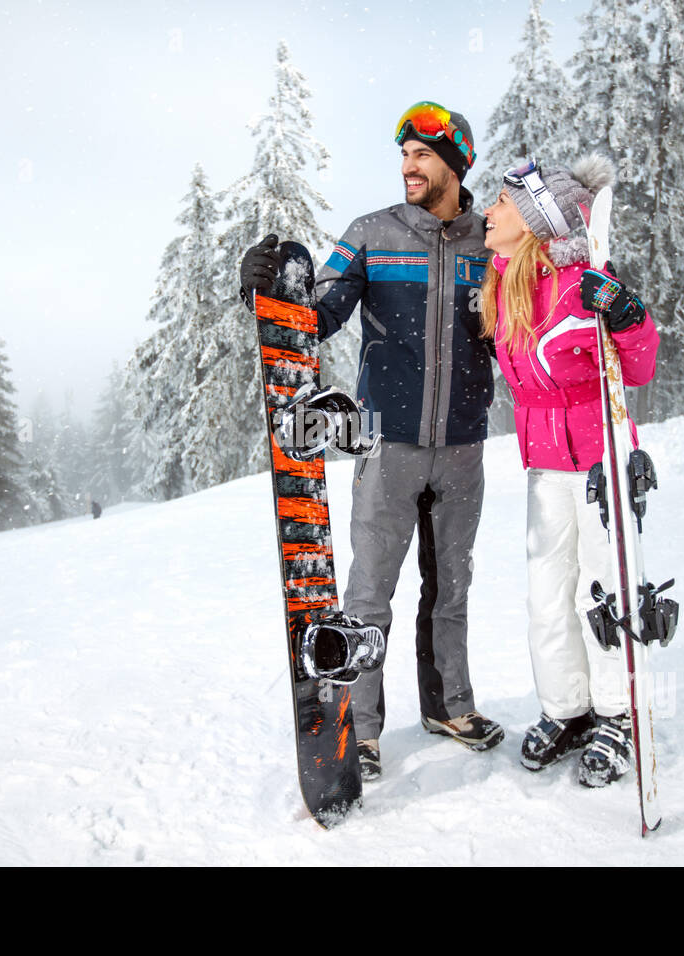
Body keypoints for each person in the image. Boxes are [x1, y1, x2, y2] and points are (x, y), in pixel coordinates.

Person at [240, 102, 503, 779]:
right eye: (405, 155)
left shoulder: (490, 244)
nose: (408, 166)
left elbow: (521, 324)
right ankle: (359, 730)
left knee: (451, 589)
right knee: (368, 594)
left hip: (466, 446)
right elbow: (316, 316)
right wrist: (273, 294)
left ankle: (450, 705)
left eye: (421, 154)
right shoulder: (370, 235)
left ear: (454, 162)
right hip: (386, 443)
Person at [480, 155, 659, 787]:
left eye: (502, 203)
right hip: (542, 465)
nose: (489, 210)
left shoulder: (585, 283)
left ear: (531, 221)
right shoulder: (503, 285)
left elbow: (638, 369)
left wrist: (625, 315)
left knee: (602, 588)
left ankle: (617, 715)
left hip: (599, 456)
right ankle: (568, 708)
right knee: (545, 596)